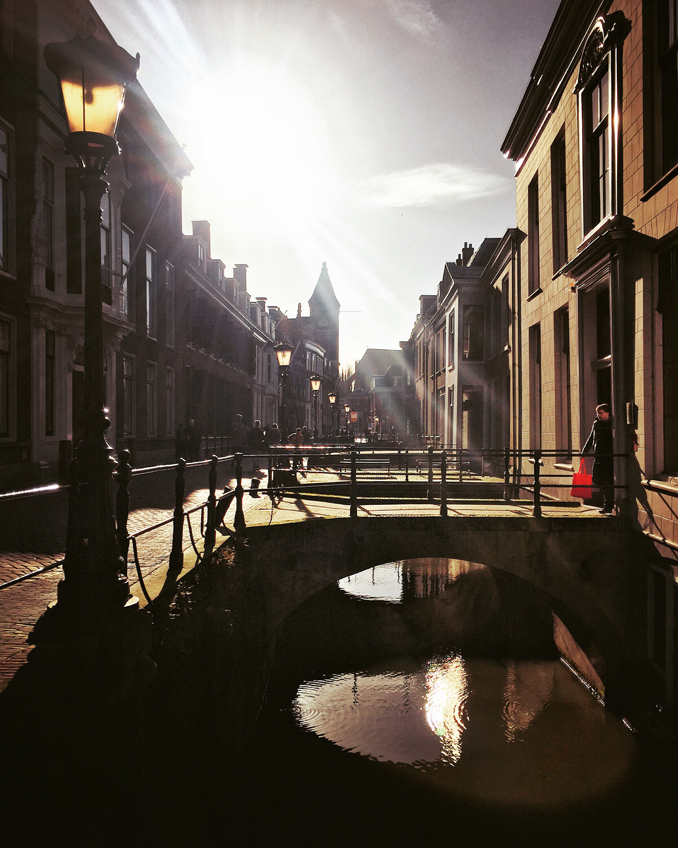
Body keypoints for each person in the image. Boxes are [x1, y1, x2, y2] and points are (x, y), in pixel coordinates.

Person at [582, 403, 614, 513]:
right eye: (598, 413)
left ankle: (608, 505)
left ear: (607, 413)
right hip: (599, 454)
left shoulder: (612, 424)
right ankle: (607, 502)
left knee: (607, 480)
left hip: (608, 455)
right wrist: (585, 450)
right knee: (598, 479)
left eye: (601, 413)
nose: (598, 415)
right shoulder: (596, 423)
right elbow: (592, 437)